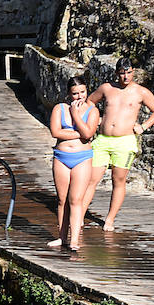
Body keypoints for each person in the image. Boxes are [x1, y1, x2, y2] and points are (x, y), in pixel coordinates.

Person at [81, 58, 154, 232]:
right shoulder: (107, 88)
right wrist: (93, 120)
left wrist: (143, 126)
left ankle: (109, 220)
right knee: (91, 179)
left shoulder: (141, 92)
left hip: (125, 141)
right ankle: (79, 215)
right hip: (102, 139)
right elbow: (89, 102)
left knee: (118, 180)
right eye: (122, 73)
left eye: (128, 72)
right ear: (116, 73)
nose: (125, 77)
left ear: (133, 72)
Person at [48, 77, 100, 251]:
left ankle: (75, 240)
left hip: (82, 157)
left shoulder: (92, 111)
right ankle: (62, 237)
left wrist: (76, 115)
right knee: (62, 200)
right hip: (61, 156)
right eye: (75, 93)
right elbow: (55, 132)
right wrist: (80, 134)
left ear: (87, 91)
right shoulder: (59, 108)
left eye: (83, 92)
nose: (79, 97)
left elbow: (89, 133)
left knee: (76, 200)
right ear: (68, 94)